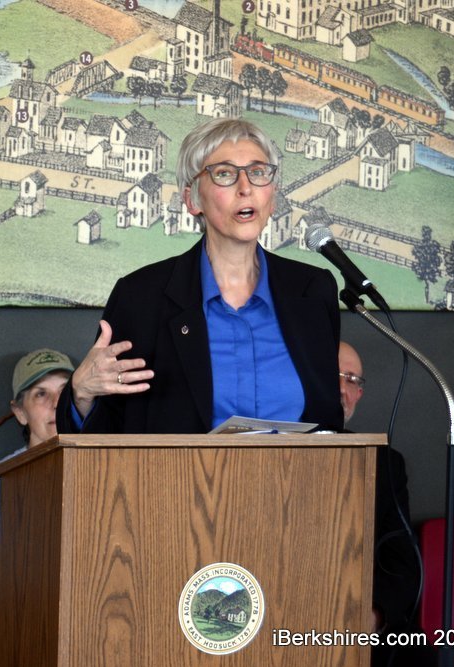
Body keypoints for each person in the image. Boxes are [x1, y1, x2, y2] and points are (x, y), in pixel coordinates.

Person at [57, 117, 343, 434]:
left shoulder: (312, 291)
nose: (246, 188)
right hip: (177, 469)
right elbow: (108, 430)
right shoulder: (141, 298)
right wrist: (81, 393)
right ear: (192, 200)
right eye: (224, 174)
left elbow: (328, 421)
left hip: (297, 468)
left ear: (272, 196)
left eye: (258, 172)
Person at [0, 348, 74, 611]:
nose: (56, 403)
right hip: (31, 618)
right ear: (20, 412)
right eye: (41, 394)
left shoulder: (109, 472)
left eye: (66, 391)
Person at [339, 342, 422, 667]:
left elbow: (402, 563)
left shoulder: (385, 463)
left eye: (352, 380)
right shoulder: (262, 449)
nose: (342, 389)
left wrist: (375, 616)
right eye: (333, 375)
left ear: (359, 394)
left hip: (359, 618)